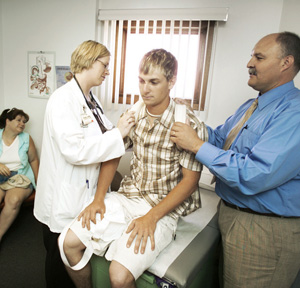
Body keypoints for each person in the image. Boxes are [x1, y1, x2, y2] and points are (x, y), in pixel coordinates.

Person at [58, 48, 208, 288]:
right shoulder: (133, 114)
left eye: (154, 82)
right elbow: (112, 155)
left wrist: (151, 217)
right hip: (128, 196)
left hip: (162, 208)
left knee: (119, 276)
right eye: (141, 80)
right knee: (68, 243)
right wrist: (99, 199)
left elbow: (189, 182)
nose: (145, 89)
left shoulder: (188, 124)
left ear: (171, 82)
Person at [170, 31, 300, 288]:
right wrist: (191, 119)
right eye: (251, 55)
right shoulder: (252, 106)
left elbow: (255, 174)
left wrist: (196, 145)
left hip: (264, 230)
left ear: (286, 63)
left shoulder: (293, 113)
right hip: (233, 216)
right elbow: (220, 138)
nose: (249, 63)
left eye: (259, 57)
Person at [33, 40, 135, 288]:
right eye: (105, 65)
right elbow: (75, 150)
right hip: (63, 198)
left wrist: (127, 134)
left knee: (73, 258)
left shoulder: (91, 100)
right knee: (59, 265)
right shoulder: (62, 100)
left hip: (84, 194)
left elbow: (105, 135)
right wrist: (117, 133)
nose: (107, 71)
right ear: (89, 61)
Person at [0, 108, 39, 243]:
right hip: (0, 178)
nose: (22, 124)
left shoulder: (26, 138)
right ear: (7, 121)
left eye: (24, 122)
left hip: (20, 178)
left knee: (14, 200)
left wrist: (39, 183)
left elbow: (33, 160)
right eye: (18, 120)